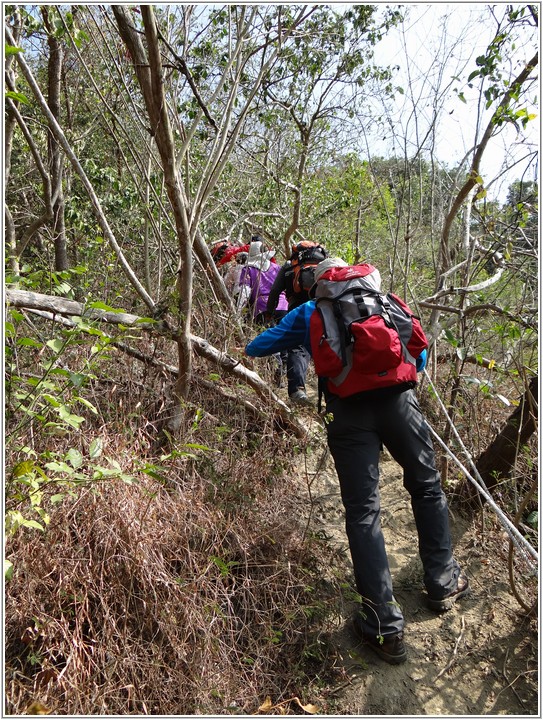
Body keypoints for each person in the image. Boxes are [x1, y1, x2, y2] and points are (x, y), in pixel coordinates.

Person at [245, 257, 469, 665]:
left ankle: (382, 626)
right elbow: (416, 354)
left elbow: (257, 347)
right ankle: (443, 579)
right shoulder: (384, 299)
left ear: (319, 282)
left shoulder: (312, 310)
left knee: (364, 512)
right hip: (401, 404)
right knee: (427, 486)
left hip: (347, 412)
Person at [266, 242, 327, 405]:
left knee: (298, 348)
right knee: (324, 348)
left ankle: (297, 390)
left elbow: (275, 291)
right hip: (321, 311)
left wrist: (269, 313)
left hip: (296, 311)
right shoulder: (323, 265)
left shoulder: (288, 267)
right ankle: (330, 395)